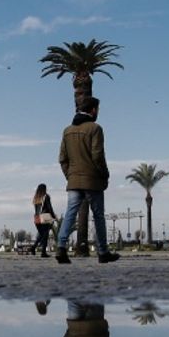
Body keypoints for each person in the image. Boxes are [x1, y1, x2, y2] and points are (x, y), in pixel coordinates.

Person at [55, 97, 119, 264]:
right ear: (93, 110)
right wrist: (105, 174)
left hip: (74, 181)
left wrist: (70, 175)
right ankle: (103, 252)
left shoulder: (67, 131)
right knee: (98, 215)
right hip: (93, 181)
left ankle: (60, 247)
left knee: (70, 213)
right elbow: (97, 155)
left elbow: (62, 158)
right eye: (97, 109)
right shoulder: (95, 129)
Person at [30, 183, 56, 257]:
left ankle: (33, 247)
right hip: (44, 217)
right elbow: (49, 207)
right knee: (45, 235)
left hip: (36, 217)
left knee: (42, 234)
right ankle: (43, 252)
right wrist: (53, 216)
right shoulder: (46, 196)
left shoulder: (36, 198)